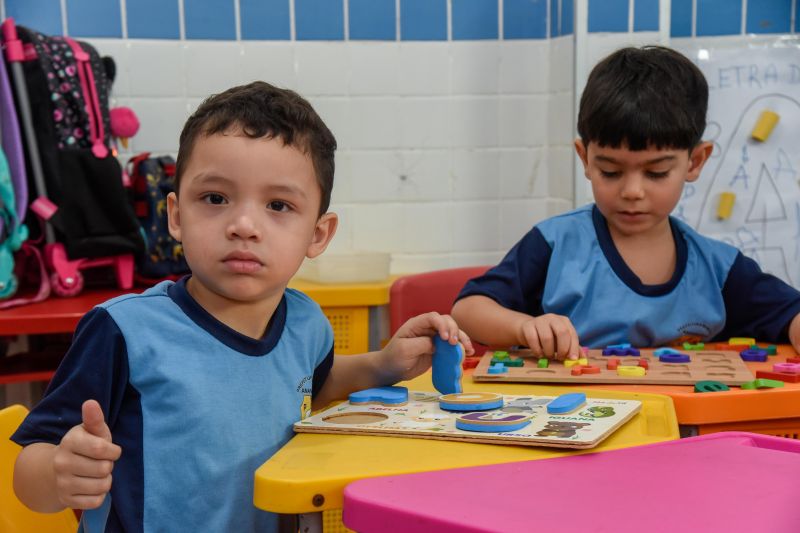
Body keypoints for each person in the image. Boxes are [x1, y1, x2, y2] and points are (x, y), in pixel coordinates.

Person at [11, 81, 473, 532]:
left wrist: (384, 363)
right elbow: (29, 469)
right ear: (175, 214)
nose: (245, 225)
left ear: (317, 234)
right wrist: (59, 473)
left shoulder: (307, 322)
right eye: (215, 198)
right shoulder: (122, 331)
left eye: (278, 205)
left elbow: (312, 383)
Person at [452, 45, 800, 360]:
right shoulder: (556, 245)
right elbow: (467, 310)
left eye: (656, 173)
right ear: (585, 158)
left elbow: (790, 315)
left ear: (694, 162)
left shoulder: (719, 270)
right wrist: (523, 327)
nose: (632, 191)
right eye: (611, 171)